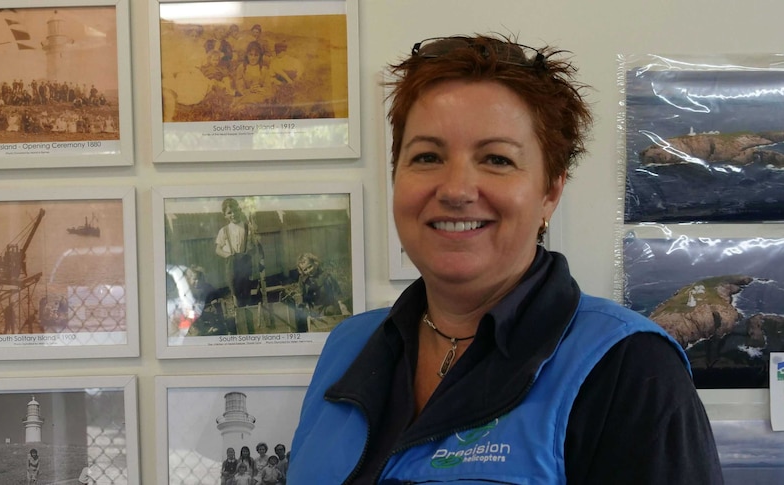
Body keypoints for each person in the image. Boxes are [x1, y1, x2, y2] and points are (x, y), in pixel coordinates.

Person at [288, 33, 724, 484]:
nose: (455, 189)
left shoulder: (628, 367)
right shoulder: (348, 347)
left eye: (496, 159)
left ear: (550, 192)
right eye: (427, 156)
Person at [215, 198, 255, 308]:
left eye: (235, 211)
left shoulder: (247, 227)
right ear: (225, 215)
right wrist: (227, 255)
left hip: (244, 260)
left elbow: (252, 244)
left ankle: (249, 311)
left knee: (246, 287)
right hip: (231, 263)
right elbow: (218, 249)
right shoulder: (224, 230)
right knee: (235, 289)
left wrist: (249, 250)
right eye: (229, 213)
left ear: (239, 210)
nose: (233, 214)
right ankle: (239, 312)